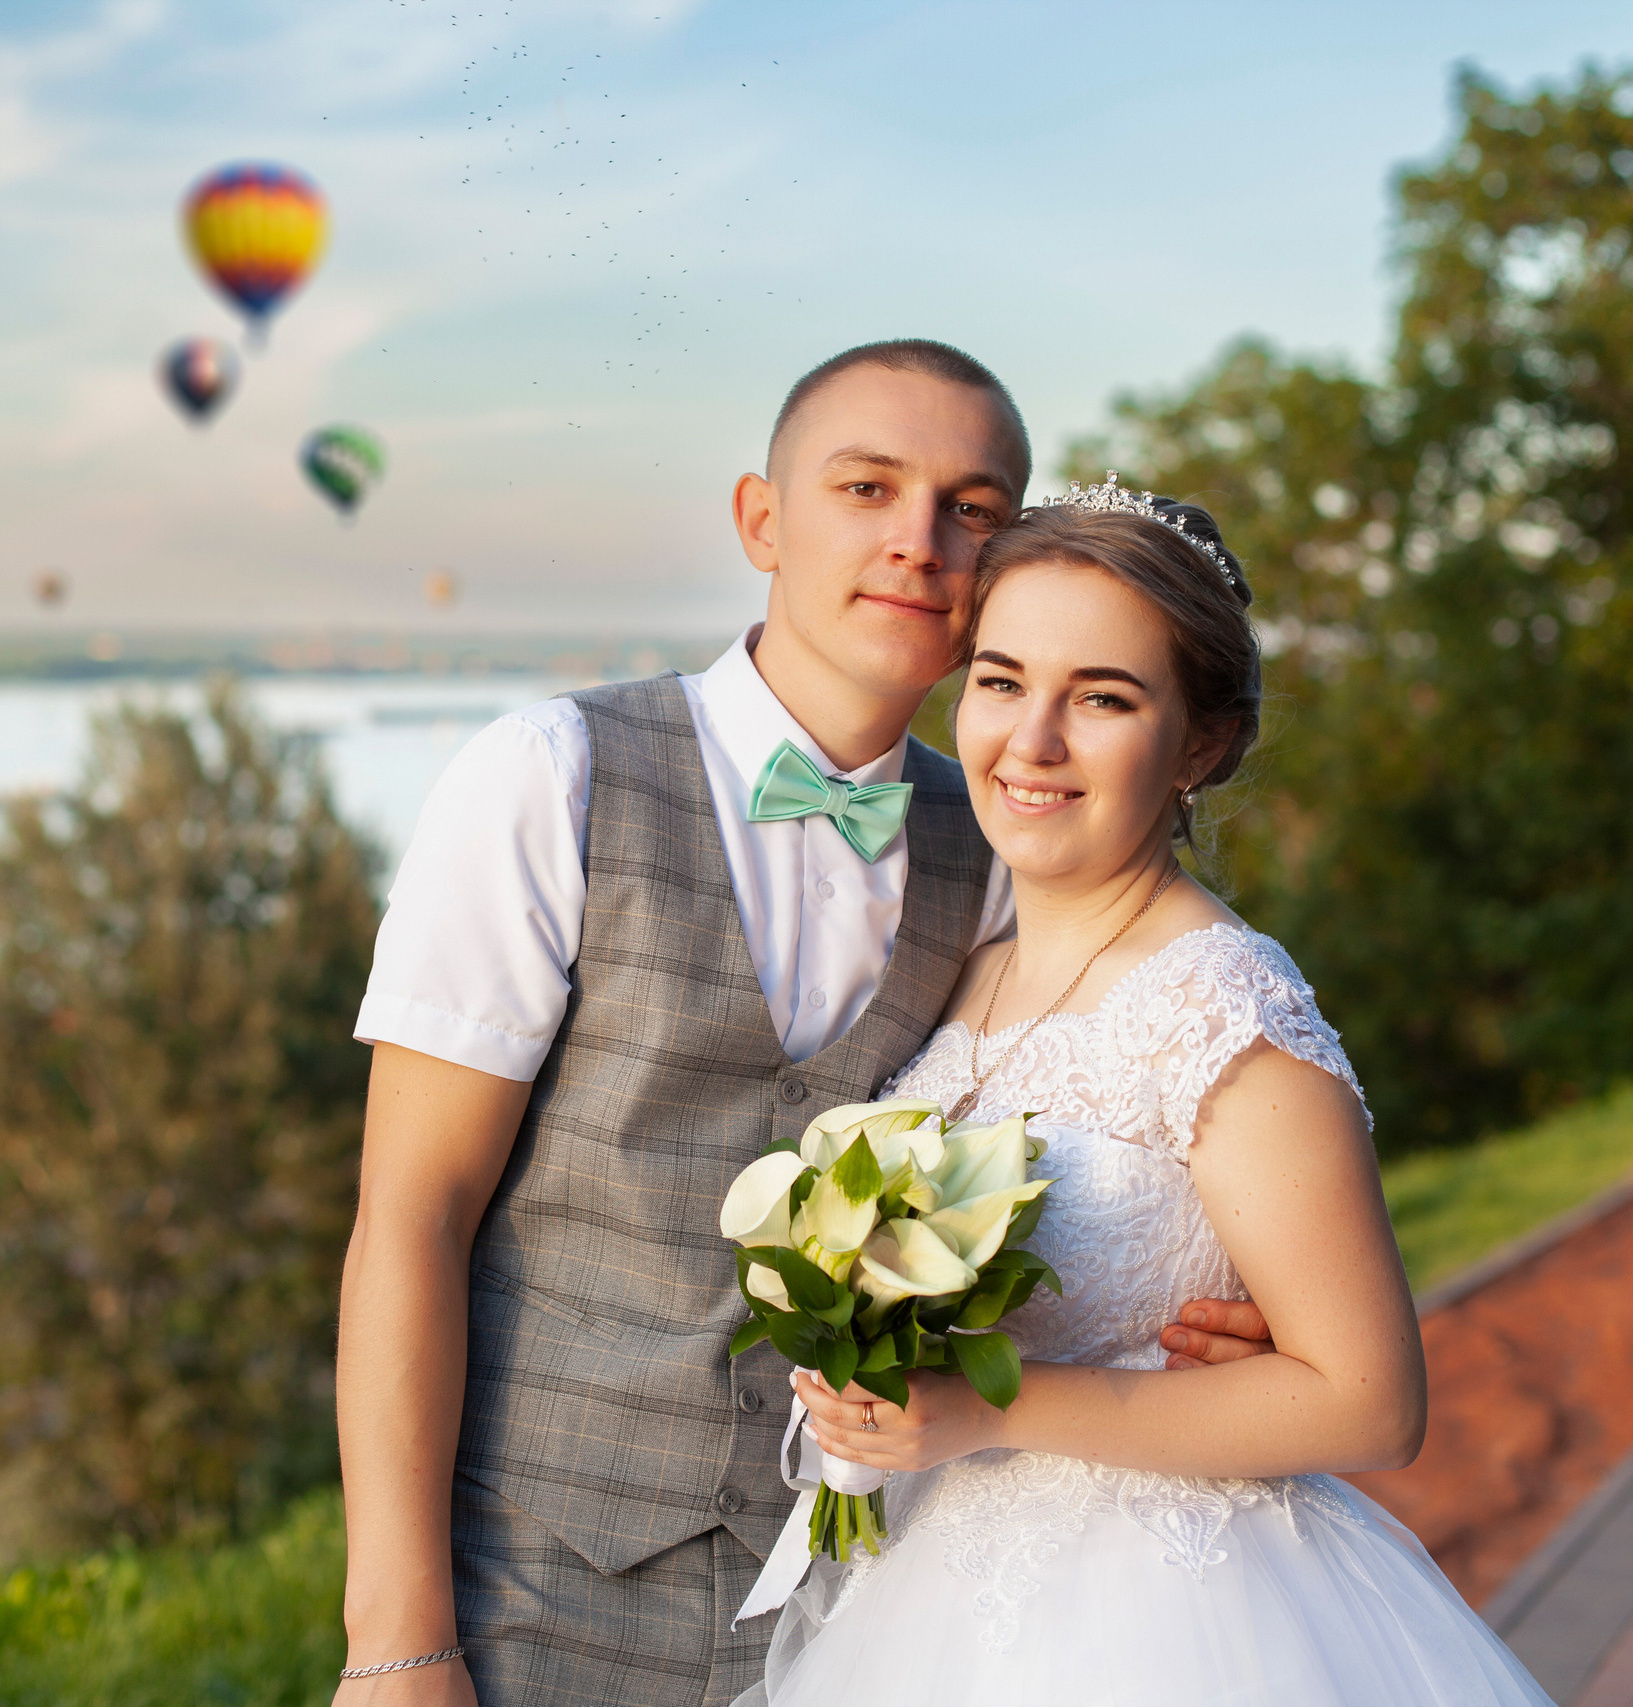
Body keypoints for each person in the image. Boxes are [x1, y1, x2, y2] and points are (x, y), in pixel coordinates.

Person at [334, 342, 1276, 1707]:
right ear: (761, 521)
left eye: (971, 506)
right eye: (867, 486)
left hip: (873, 1604)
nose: (917, 541)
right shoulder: (548, 776)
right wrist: (398, 1639)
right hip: (528, 1596)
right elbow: (409, 1216)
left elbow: (1130, 1086)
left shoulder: (1012, 834)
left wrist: (1193, 1314)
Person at [744, 484, 1554, 1703]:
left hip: (1171, 1623)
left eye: (1104, 698)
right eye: (1002, 680)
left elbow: (1373, 1402)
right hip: (937, 1606)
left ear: (1201, 743)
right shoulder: (971, 969)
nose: (1030, 741)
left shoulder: (1223, 1010)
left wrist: (984, 1414)